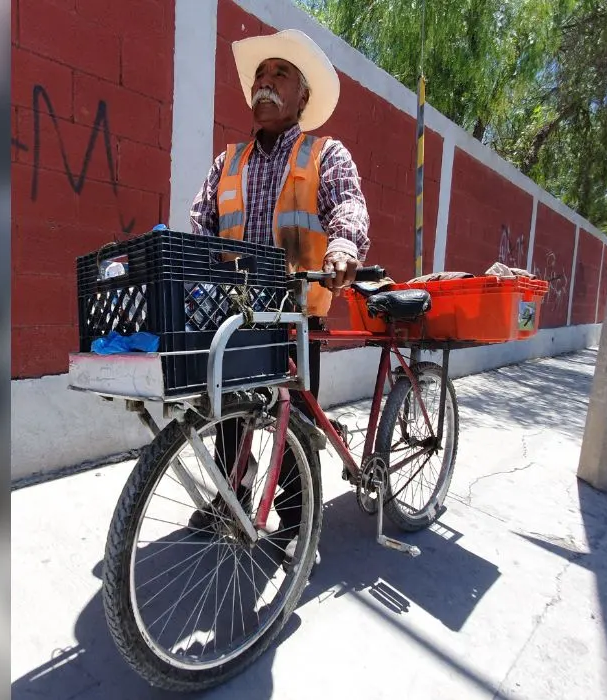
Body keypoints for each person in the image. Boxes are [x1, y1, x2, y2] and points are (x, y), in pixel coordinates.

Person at [186, 29, 371, 564]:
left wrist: (342, 247)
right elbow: (201, 225)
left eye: (280, 77)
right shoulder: (229, 161)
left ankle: (297, 527)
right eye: (260, 78)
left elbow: (349, 206)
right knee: (227, 413)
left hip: (296, 312)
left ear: (302, 98)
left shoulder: (324, 155)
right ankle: (233, 496)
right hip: (234, 311)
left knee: (297, 424)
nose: (265, 86)